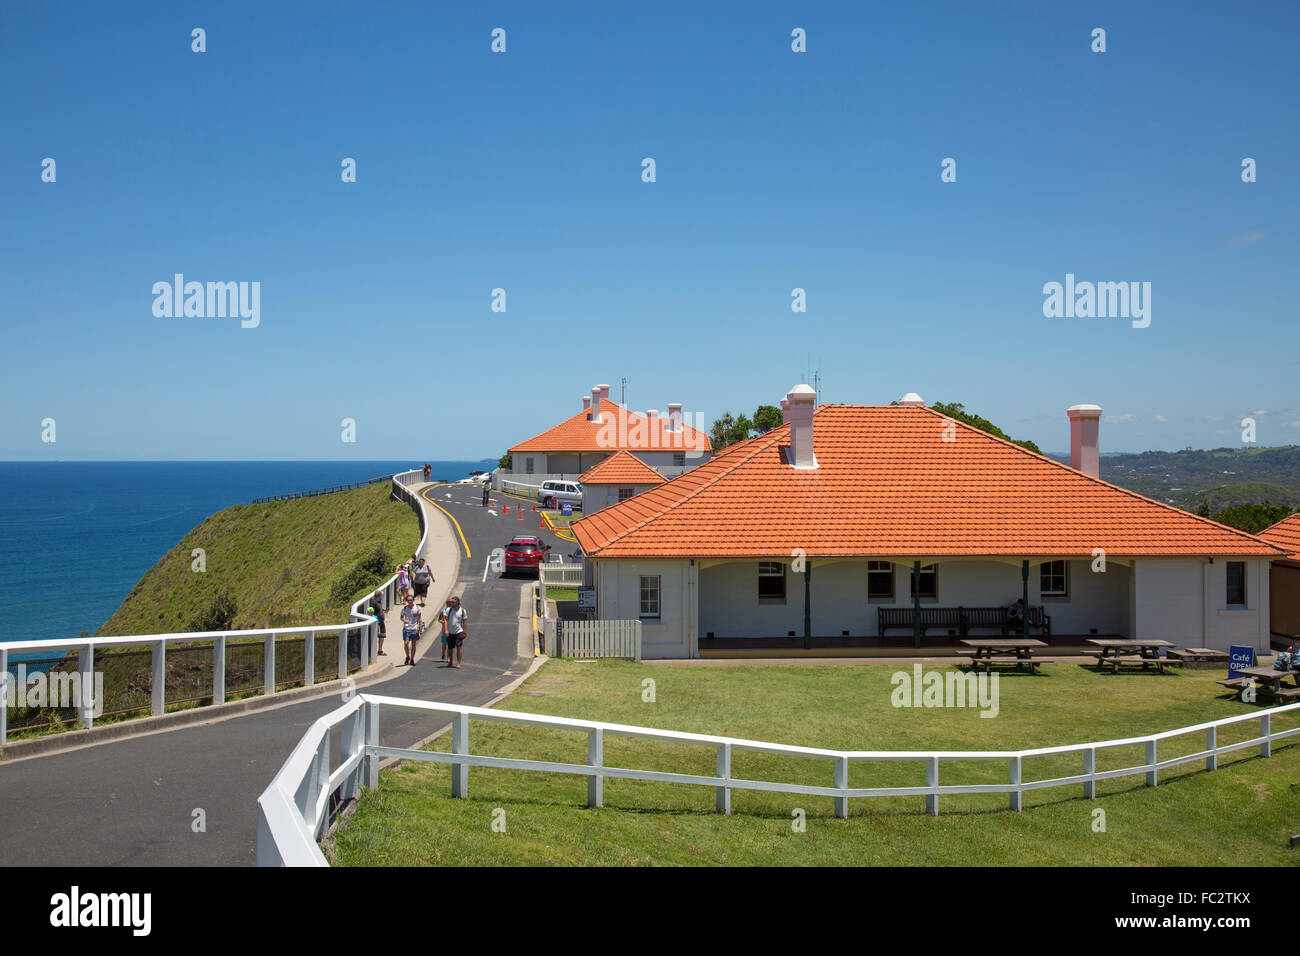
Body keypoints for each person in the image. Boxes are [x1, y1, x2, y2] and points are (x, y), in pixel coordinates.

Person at [443, 595, 468, 669]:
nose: (452, 603)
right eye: (451, 602)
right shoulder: (448, 610)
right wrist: (446, 630)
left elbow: (464, 622)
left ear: (458, 602)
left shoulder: (463, 611)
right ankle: (450, 661)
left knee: (459, 647)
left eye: (453, 602)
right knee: (450, 648)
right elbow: (445, 620)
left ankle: (458, 663)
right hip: (450, 632)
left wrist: (464, 631)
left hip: (459, 632)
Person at [399, 593, 422, 666]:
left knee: (414, 644)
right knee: (406, 643)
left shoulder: (417, 608)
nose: (410, 602)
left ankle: (412, 659)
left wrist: (420, 627)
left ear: (413, 600)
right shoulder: (405, 609)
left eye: (411, 600)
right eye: (408, 600)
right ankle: (407, 656)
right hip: (407, 627)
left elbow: (420, 618)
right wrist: (404, 620)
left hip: (414, 627)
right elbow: (401, 617)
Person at [367, 589, 387, 657]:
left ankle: (380, 650)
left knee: (382, 636)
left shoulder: (379, 601)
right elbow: (371, 612)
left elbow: (378, 608)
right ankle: (372, 652)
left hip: (381, 621)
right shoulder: (373, 602)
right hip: (377, 622)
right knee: (375, 636)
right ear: (379, 595)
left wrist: (382, 609)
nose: (382, 596)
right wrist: (375, 621)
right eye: (381, 595)